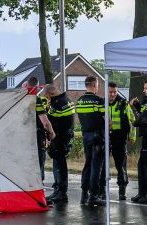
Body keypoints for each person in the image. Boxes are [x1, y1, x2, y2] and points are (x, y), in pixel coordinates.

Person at [76, 76, 106, 206]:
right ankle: (93, 195)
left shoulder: (79, 101)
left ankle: (84, 195)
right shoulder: (99, 101)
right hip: (98, 136)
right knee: (96, 166)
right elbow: (107, 121)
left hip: (86, 136)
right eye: (97, 85)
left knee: (87, 164)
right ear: (94, 85)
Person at [42, 84, 74, 205]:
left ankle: (61, 192)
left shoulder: (57, 104)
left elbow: (49, 121)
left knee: (59, 165)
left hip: (59, 137)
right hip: (65, 136)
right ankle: (58, 190)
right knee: (59, 164)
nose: (47, 99)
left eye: (47, 97)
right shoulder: (67, 100)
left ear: (51, 94)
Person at [108, 82, 136, 200]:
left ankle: (122, 190)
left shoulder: (123, 103)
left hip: (120, 137)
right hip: (105, 137)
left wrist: (132, 137)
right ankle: (101, 189)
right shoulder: (102, 103)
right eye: (110, 92)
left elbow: (132, 121)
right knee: (102, 165)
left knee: (121, 165)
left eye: (115, 92)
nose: (113, 94)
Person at [25, 77, 55, 181]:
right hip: (36, 136)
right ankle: (38, 186)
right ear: (37, 87)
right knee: (39, 163)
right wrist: (51, 133)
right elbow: (45, 122)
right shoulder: (36, 100)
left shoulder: (19, 99)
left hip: (22, 136)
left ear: (26, 85)